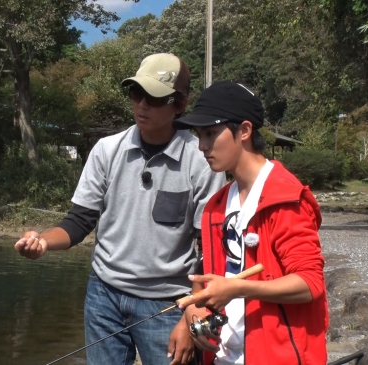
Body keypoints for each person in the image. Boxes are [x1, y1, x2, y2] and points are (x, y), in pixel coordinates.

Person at [14, 53, 226, 365]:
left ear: (179, 104)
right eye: (136, 94)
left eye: (154, 97)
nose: (142, 105)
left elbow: (209, 245)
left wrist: (190, 313)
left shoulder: (201, 159)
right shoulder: (107, 150)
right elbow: (80, 220)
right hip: (104, 296)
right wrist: (43, 242)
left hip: (169, 303)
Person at [173, 81, 329, 364]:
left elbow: (310, 283)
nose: (201, 146)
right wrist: (191, 314)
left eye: (210, 133)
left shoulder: (285, 197)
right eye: (199, 135)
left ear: (244, 130)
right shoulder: (216, 206)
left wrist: (238, 288)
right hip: (223, 357)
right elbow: (211, 277)